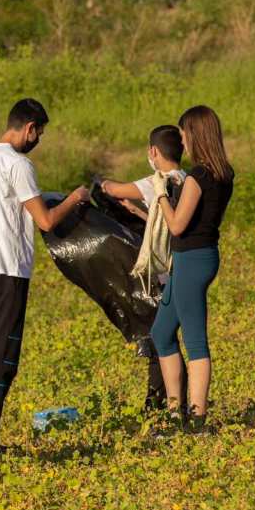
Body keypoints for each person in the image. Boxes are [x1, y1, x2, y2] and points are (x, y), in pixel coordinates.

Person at [0, 98, 90, 454]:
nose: (39, 139)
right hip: (8, 270)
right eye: (40, 133)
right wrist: (75, 198)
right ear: (30, 128)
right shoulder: (18, 164)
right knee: (3, 355)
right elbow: (46, 220)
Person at [151, 105, 234, 433]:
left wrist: (160, 195)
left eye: (184, 134)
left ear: (196, 134)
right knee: (161, 333)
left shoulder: (198, 178)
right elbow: (194, 219)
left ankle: (196, 421)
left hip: (191, 261)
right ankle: (176, 415)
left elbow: (177, 225)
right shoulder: (222, 173)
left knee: (195, 341)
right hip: (200, 256)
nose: (182, 142)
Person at [100, 125, 187, 411]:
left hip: (163, 273)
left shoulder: (156, 181)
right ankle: (163, 399)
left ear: (153, 152)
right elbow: (166, 218)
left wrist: (100, 183)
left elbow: (112, 189)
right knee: (166, 335)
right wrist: (138, 211)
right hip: (184, 264)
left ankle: (167, 402)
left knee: (160, 338)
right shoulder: (186, 179)